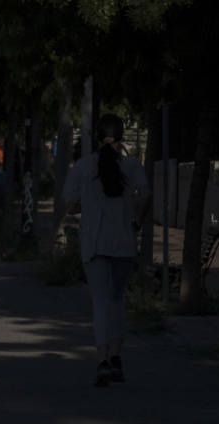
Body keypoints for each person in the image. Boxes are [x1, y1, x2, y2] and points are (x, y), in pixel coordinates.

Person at [62, 114, 152, 387]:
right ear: (121, 138)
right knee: (117, 300)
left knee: (100, 302)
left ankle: (102, 360)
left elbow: (69, 205)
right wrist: (137, 220)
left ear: (97, 137)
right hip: (123, 241)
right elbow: (145, 194)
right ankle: (116, 357)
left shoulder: (82, 166)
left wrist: (86, 206)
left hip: (94, 243)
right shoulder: (132, 166)